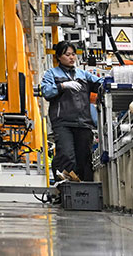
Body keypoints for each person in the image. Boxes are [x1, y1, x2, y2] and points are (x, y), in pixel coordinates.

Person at [38, 41, 105, 183]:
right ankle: (67, 189)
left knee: (84, 159)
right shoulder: (52, 74)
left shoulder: (83, 74)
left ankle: (84, 192)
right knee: (67, 156)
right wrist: (62, 85)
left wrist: (110, 80)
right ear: (59, 57)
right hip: (63, 123)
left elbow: (100, 83)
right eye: (67, 54)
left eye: (73, 54)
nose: (71, 57)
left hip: (83, 123)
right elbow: (46, 92)